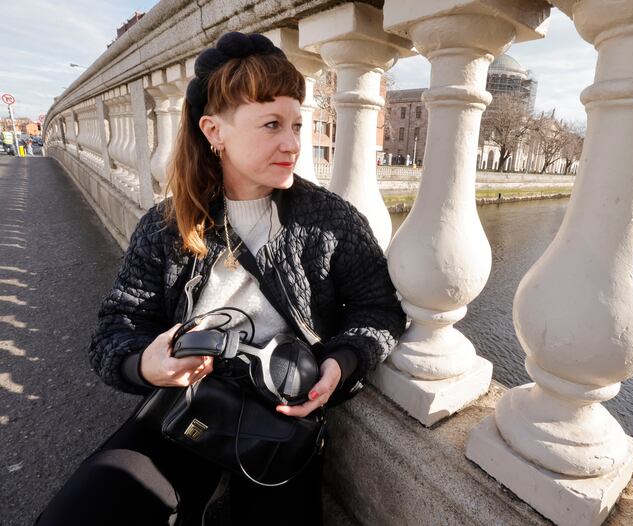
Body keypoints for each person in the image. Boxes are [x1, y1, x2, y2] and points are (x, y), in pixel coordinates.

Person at [37, 32, 406, 526]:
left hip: (280, 417)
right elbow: (115, 330)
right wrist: (146, 365)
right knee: (80, 515)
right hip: (186, 407)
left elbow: (377, 311)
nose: (292, 143)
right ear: (214, 131)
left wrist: (342, 362)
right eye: (271, 124)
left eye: (298, 124)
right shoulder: (169, 225)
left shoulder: (332, 222)